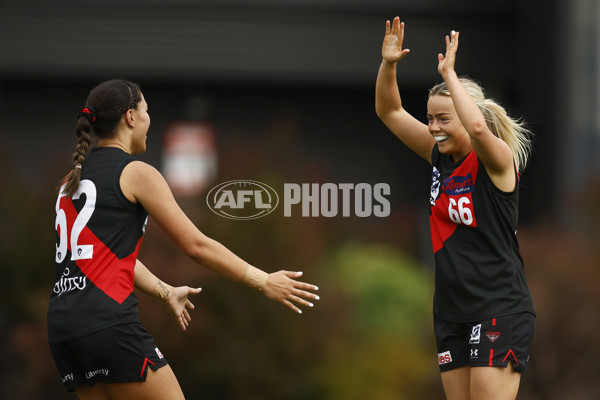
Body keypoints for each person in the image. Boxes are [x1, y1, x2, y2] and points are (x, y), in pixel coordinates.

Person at [48, 79, 320, 400]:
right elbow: (197, 247)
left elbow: (105, 259)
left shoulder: (71, 180)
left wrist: (165, 292)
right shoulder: (137, 172)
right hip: (108, 323)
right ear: (131, 117)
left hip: (63, 328)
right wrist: (263, 280)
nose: (150, 120)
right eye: (146, 111)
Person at [375, 17, 536, 400]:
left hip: (500, 306)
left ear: (466, 114)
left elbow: (479, 130)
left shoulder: (495, 162)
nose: (433, 127)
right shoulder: (438, 157)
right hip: (451, 312)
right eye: (431, 119)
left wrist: (449, 75)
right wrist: (389, 64)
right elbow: (390, 112)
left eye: (443, 119)